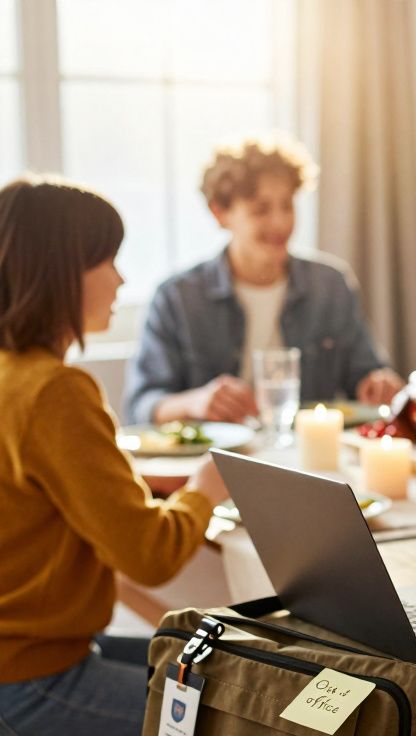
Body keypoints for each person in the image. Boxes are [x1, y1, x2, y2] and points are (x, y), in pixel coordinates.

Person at [0, 176, 230, 735]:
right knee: (238, 711)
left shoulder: (12, 376)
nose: (122, 278)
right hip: (31, 678)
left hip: (28, 653)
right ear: (63, 271)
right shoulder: (56, 391)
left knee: (224, 670)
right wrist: (205, 488)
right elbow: (148, 555)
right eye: (108, 259)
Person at [124, 135, 404, 426]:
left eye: (287, 206)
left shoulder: (330, 285)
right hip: (217, 461)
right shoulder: (177, 298)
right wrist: (196, 402)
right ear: (220, 213)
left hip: (306, 456)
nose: (280, 222)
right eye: (261, 209)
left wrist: (377, 384)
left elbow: (366, 374)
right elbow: (141, 405)